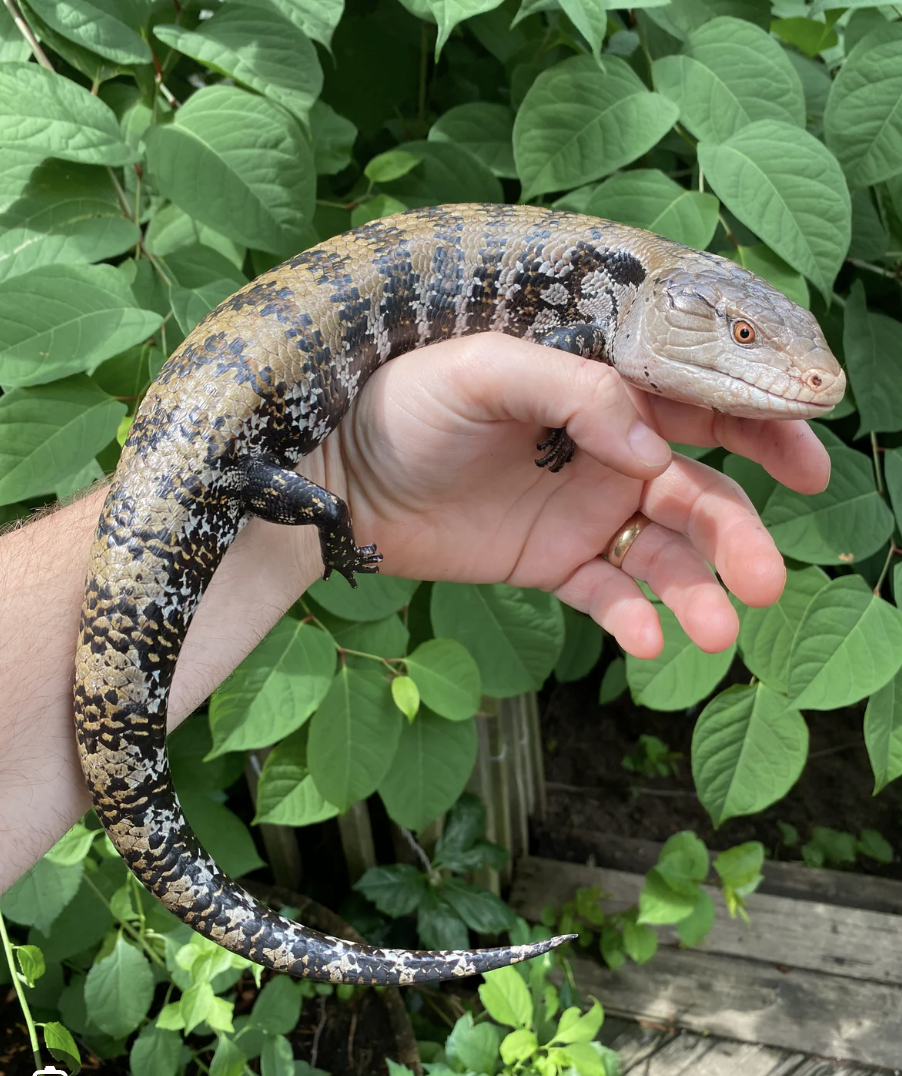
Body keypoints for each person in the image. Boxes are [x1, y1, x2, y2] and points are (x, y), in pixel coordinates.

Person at [0, 333, 830, 893]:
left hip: (231, 450)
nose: (810, 375)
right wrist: (338, 501)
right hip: (238, 453)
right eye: (745, 336)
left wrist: (347, 485)